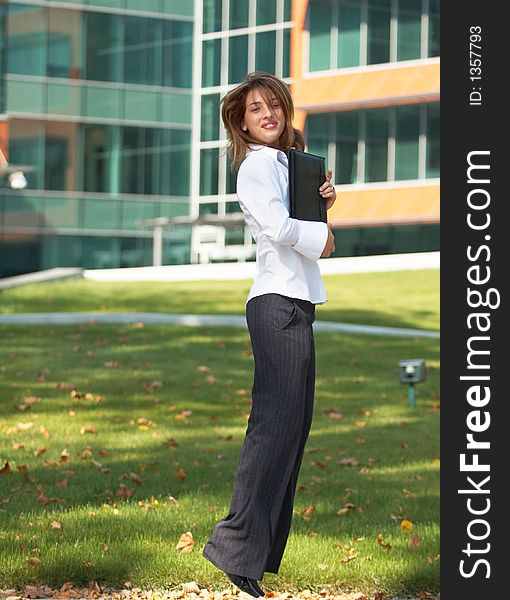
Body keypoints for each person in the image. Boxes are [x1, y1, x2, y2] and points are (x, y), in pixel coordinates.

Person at [202, 72, 336, 598]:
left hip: (293, 303)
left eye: (274, 105)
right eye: (254, 109)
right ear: (242, 123)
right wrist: (324, 235)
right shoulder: (256, 165)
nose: (267, 114)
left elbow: (293, 222)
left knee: (290, 429)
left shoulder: (287, 164)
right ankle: (235, 549)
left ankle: (248, 558)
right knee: (274, 427)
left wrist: (321, 200)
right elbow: (281, 230)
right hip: (276, 304)